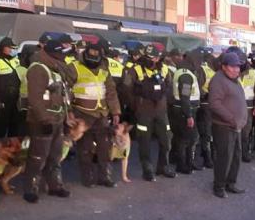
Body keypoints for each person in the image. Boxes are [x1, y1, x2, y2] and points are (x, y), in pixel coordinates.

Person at [23, 39, 71, 203]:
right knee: (38, 156)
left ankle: (55, 185)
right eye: (61, 54)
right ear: (53, 53)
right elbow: (35, 99)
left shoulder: (56, 69)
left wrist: (66, 116)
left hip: (57, 119)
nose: (63, 57)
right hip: (42, 121)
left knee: (55, 155)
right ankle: (31, 188)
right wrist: (44, 120)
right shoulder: (38, 69)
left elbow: (63, 96)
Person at [66, 43, 121, 188]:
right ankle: (87, 177)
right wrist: (69, 111)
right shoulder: (74, 67)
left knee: (105, 147)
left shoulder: (104, 68)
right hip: (82, 112)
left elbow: (111, 91)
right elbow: (66, 91)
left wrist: (115, 111)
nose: (93, 59)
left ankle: (105, 177)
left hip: (101, 113)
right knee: (85, 148)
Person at [124, 43, 176, 181]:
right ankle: (147, 169)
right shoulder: (135, 70)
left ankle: (163, 166)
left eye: (156, 58)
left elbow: (169, 86)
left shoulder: (164, 69)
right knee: (144, 141)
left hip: (161, 111)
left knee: (166, 139)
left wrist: (167, 104)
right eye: (151, 57)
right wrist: (135, 105)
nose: (154, 60)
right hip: (144, 112)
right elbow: (126, 88)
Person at [208, 49, 248, 198]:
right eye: (232, 66)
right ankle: (219, 186)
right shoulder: (218, 80)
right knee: (224, 157)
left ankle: (230, 183)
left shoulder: (234, 80)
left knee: (236, 156)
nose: (236, 69)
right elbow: (214, 104)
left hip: (236, 126)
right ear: (224, 66)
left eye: (237, 66)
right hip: (224, 126)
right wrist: (232, 119)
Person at [170, 49, 201, 174]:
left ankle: (187, 162)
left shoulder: (182, 71)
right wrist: (189, 115)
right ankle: (183, 165)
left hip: (180, 108)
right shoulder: (186, 75)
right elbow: (185, 96)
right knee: (188, 139)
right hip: (185, 110)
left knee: (182, 137)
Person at [0, 36, 22, 138]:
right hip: (3, 100)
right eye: (9, 48)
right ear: (3, 47)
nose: (11, 50)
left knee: (14, 125)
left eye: (13, 48)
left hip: (15, 98)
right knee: (1, 127)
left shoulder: (15, 60)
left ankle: (12, 148)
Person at [237, 48, 255, 162]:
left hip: (248, 108)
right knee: (234, 132)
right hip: (234, 108)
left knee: (246, 133)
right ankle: (235, 154)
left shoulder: (252, 72)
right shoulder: (232, 71)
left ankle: (245, 154)